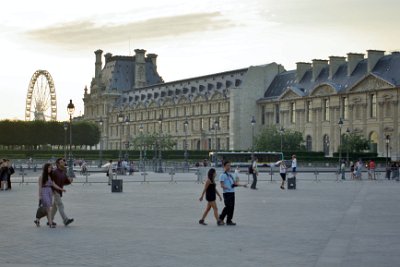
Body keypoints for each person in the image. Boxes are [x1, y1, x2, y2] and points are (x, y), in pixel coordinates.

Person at [34, 163, 66, 228]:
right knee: (48, 208)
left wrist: (61, 189)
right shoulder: (41, 177)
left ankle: (37, 220)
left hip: (49, 192)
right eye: (49, 167)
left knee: (47, 209)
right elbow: (40, 187)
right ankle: (50, 224)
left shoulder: (50, 176)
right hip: (44, 192)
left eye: (51, 168)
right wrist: (40, 196)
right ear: (46, 168)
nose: (50, 169)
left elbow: (53, 184)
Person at [218, 161, 247, 226]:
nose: (229, 167)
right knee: (228, 207)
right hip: (227, 193)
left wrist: (243, 185)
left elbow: (234, 184)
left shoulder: (230, 175)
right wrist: (228, 188)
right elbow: (222, 185)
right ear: (224, 166)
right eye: (227, 165)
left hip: (232, 193)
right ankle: (220, 218)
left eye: (229, 165)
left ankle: (229, 220)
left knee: (232, 207)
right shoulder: (222, 175)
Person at [51, 158, 74, 226]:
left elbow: (65, 182)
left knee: (55, 207)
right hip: (55, 191)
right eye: (61, 162)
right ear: (58, 164)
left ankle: (50, 219)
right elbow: (51, 182)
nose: (63, 163)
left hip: (59, 191)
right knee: (60, 205)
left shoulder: (63, 172)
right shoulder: (54, 172)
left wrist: (70, 181)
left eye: (63, 161)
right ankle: (65, 220)